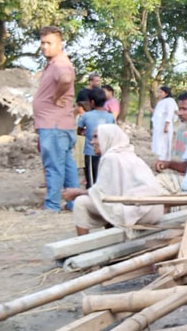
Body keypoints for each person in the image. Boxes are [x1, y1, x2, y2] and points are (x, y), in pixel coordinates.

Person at [63, 124, 167, 236]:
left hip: (142, 212)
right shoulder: (130, 155)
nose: (92, 142)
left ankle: (82, 246)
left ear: (108, 138)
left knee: (81, 202)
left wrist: (77, 192)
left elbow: (104, 194)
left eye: (96, 137)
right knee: (109, 205)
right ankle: (112, 238)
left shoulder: (111, 158)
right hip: (154, 210)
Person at [33, 25, 79, 212]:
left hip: (54, 126)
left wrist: (57, 96)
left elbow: (66, 79)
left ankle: (52, 205)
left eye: (49, 43)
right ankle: (75, 203)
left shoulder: (60, 63)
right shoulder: (56, 63)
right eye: (42, 43)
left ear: (60, 44)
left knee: (53, 167)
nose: (44, 47)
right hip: (60, 125)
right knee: (68, 167)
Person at [76, 88, 115, 187]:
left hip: (90, 152)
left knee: (91, 180)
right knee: (105, 178)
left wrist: (85, 132)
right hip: (106, 152)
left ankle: (92, 199)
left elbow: (79, 130)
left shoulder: (86, 116)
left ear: (92, 102)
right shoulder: (110, 117)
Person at [151, 85, 177, 161]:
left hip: (165, 125)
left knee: (165, 142)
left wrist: (166, 125)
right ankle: (161, 157)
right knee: (160, 141)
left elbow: (170, 113)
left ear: (166, 93)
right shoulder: (162, 102)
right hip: (159, 125)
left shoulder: (170, 101)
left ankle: (165, 159)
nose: (159, 94)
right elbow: (157, 113)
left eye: (161, 92)